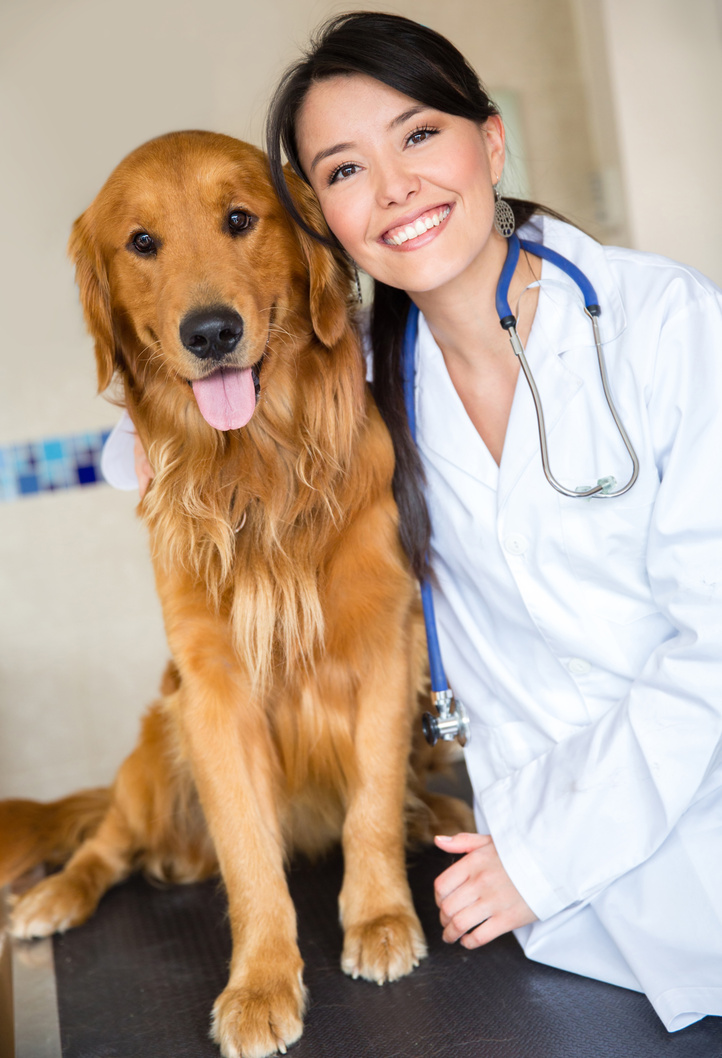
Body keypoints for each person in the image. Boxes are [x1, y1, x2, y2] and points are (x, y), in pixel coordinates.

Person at [103, 9, 722, 1033]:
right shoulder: (365, 396)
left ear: (488, 138)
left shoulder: (668, 327)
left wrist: (547, 853)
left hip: (613, 848)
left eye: (419, 135)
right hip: (535, 916)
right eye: (344, 170)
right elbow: (182, 441)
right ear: (322, 223)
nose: (390, 189)